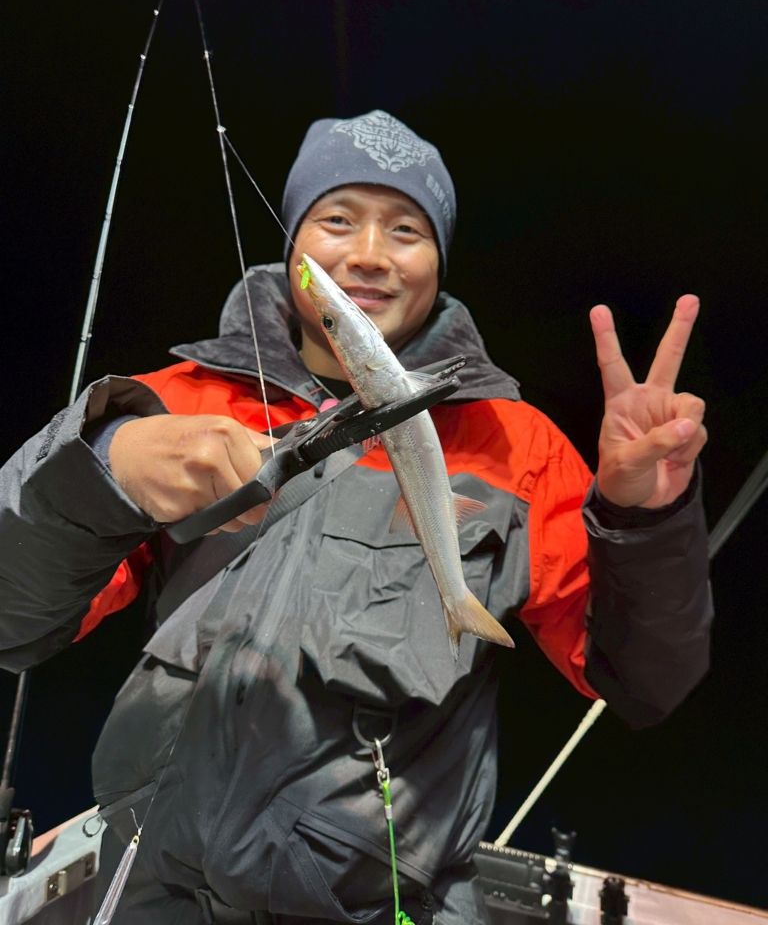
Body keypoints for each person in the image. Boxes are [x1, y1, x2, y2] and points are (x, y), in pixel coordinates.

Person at [0, 111, 711, 925]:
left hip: (381, 908)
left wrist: (644, 520)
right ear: (293, 247)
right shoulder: (176, 406)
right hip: (157, 889)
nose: (370, 255)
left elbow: (643, 682)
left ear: (440, 263)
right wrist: (102, 466)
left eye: (406, 229)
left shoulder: (517, 444)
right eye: (337, 220)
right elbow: (12, 619)